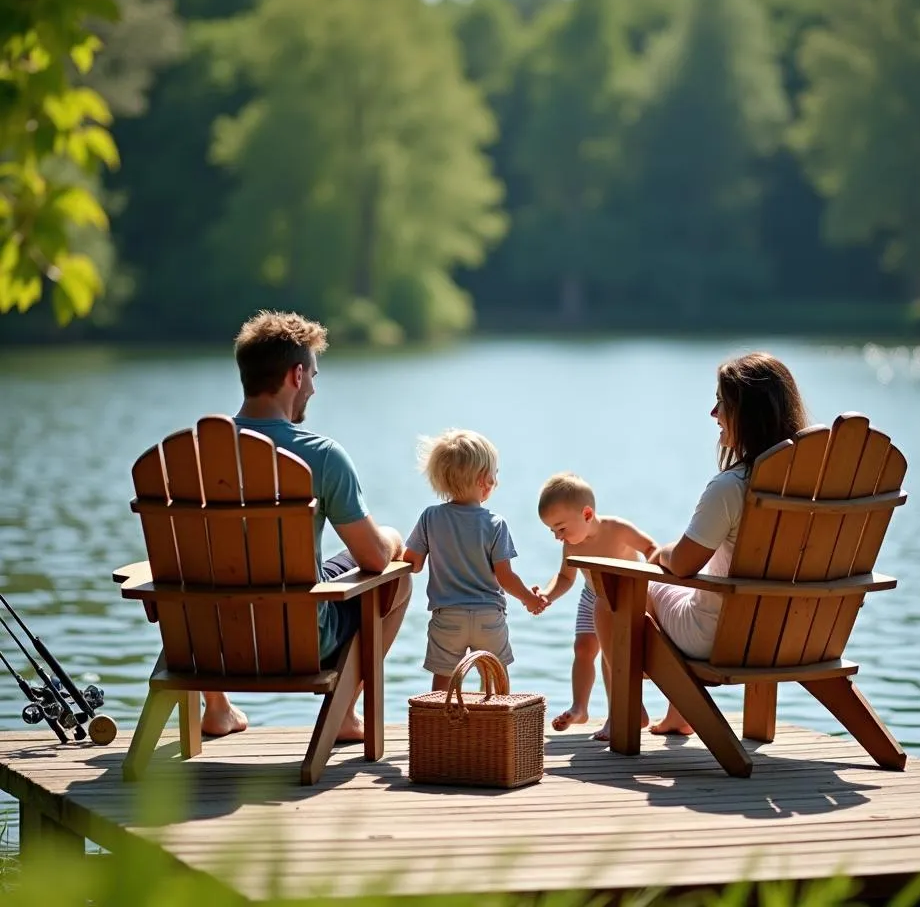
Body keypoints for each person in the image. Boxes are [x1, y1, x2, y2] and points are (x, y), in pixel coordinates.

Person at [202, 310, 411, 741]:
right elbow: (373, 558)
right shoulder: (322, 456)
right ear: (296, 375)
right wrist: (390, 539)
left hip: (207, 640)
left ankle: (217, 707)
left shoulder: (196, 457)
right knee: (397, 577)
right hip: (300, 641)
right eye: (313, 375)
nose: (314, 387)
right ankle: (345, 715)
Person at [593, 351, 810, 740]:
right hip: (792, 635)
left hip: (719, 636)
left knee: (612, 594)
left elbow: (683, 565)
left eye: (722, 403)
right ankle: (679, 715)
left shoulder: (731, 487)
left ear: (748, 413)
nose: (713, 413)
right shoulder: (813, 490)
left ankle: (631, 710)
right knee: (670, 589)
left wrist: (659, 554)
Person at [402, 428, 547, 691]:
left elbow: (413, 562)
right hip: (488, 617)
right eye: (494, 475)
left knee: (443, 681)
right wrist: (529, 599)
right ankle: (498, 725)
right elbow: (505, 576)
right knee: (495, 679)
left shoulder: (430, 517)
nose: (496, 481)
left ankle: (439, 725)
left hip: (447, 616)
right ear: (483, 481)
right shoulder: (495, 523)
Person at [536, 472, 657, 734]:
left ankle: (620, 714)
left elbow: (651, 549)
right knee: (583, 647)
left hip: (628, 597)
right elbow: (565, 578)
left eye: (561, 527)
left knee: (610, 655)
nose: (558, 536)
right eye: (552, 530)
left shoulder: (618, 529)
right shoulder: (571, 545)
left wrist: (655, 585)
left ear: (587, 514)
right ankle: (579, 708)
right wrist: (547, 595)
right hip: (593, 595)